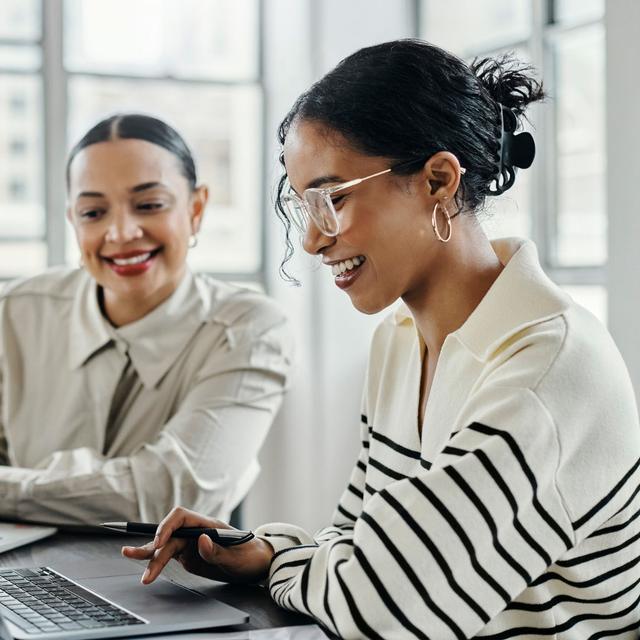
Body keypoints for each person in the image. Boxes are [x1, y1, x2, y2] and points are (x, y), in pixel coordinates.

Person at [124, 41, 640, 638]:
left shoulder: (548, 368)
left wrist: (286, 565)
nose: (314, 242)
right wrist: (264, 552)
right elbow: (357, 537)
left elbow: (383, 607)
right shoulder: (399, 341)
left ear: (439, 181)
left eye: (333, 199)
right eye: (304, 208)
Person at [0, 114, 293, 526]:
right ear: (72, 220)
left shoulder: (249, 327)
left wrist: (19, 487)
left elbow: (170, 495)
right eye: (93, 212)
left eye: (149, 205)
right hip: (24, 578)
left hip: (173, 585)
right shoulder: (16, 310)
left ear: (196, 209)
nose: (120, 232)